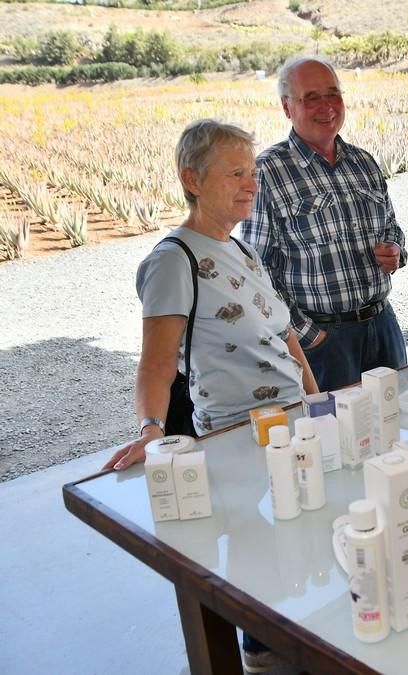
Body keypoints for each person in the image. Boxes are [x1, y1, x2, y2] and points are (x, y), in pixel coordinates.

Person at [103, 119, 319, 672]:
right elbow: (155, 364)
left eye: (253, 173)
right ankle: (261, 656)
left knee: (295, 530)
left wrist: (320, 404)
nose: (251, 184)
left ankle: (286, 636)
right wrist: (151, 432)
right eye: (235, 173)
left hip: (293, 423)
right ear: (191, 179)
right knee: (251, 547)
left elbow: (286, 337)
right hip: (236, 435)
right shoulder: (173, 261)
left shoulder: (241, 250)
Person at [242, 54, 408, 392]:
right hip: (323, 341)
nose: (326, 106)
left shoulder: (363, 162)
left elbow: (391, 227)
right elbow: (256, 271)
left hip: (383, 325)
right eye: (311, 98)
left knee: (401, 423)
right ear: (287, 107)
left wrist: (395, 250)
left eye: (333, 94)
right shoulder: (267, 173)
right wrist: (306, 334)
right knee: (333, 437)